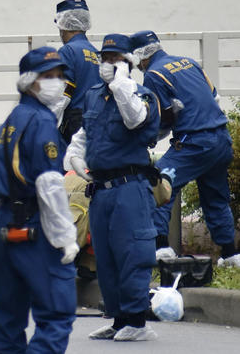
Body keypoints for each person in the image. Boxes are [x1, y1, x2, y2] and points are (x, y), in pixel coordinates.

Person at [65, 34, 160, 341]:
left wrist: (121, 83)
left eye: (115, 58)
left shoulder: (142, 94)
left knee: (132, 252)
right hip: (101, 189)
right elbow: (84, 132)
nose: (108, 64)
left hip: (129, 187)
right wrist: (76, 155)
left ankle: (137, 320)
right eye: (104, 57)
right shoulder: (94, 95)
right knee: (105, 257)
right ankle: (119, 319)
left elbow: (135, 120)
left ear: (128, 62)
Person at [0, 46, 79, 353]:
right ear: (29, 81)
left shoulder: (14, 118)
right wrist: (66, 236)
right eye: (47, 76)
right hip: (35, 227)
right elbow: (49, 183)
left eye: (59, 75)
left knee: (7, 316)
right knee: (56, 313)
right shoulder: (41, 122)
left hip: (6, 224)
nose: (56, 82)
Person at [130, 30, 240, 266]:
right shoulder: (188, 62)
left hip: (195, 143)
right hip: (221, 139)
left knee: (158, 185)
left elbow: (161, 117)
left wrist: (147, 138)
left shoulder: (154, 74)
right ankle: (231, 254)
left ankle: (161, 249)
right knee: (216, 198)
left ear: (141, 56)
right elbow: (214, 97)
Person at [54, 0, 101, 143]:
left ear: (62, 25)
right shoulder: (96, 53)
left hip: (76, 124)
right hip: (99, 122)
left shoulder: (67, 52)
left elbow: (62, 96)